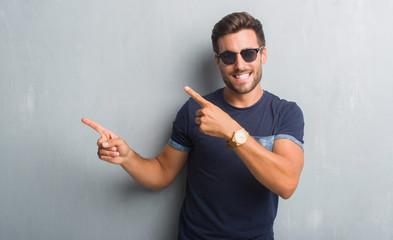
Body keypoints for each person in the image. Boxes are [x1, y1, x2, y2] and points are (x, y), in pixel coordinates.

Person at [82, 12, 304, 240]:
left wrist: (232, 132)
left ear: (263, 54)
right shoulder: (193, 110)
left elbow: (286, 184)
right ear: (218, 61)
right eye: (228, 57)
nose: (239, 65)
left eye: (248, 54)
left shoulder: (285, 113)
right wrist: (127, 157)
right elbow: (162, 172)